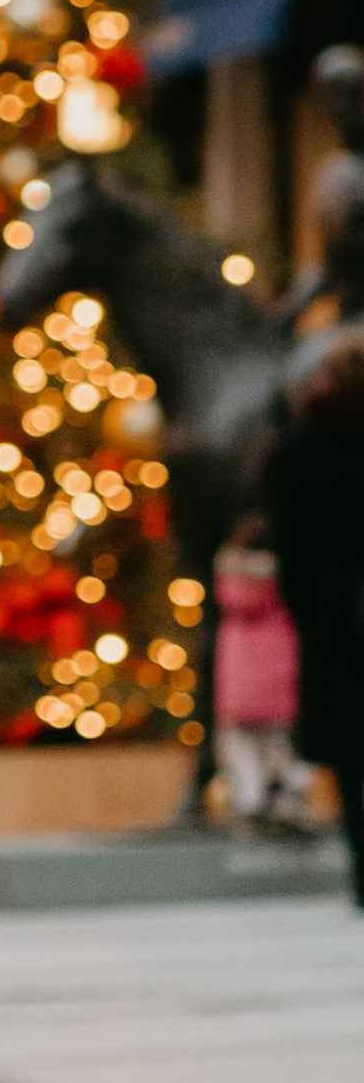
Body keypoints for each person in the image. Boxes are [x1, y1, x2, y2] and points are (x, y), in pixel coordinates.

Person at [265, 338, 364, 895]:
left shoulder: (299, 449)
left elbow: (290, 546)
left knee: (351, 759)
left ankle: (362, 869)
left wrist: (305, 608)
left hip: (332, 618)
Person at [211, 509, 306, 830]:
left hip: (239, 694)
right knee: (281, 747)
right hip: (280, 691)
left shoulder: (228, 592)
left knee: (241, 747)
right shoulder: (286, 591)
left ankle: (249, 799)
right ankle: (284, 797)